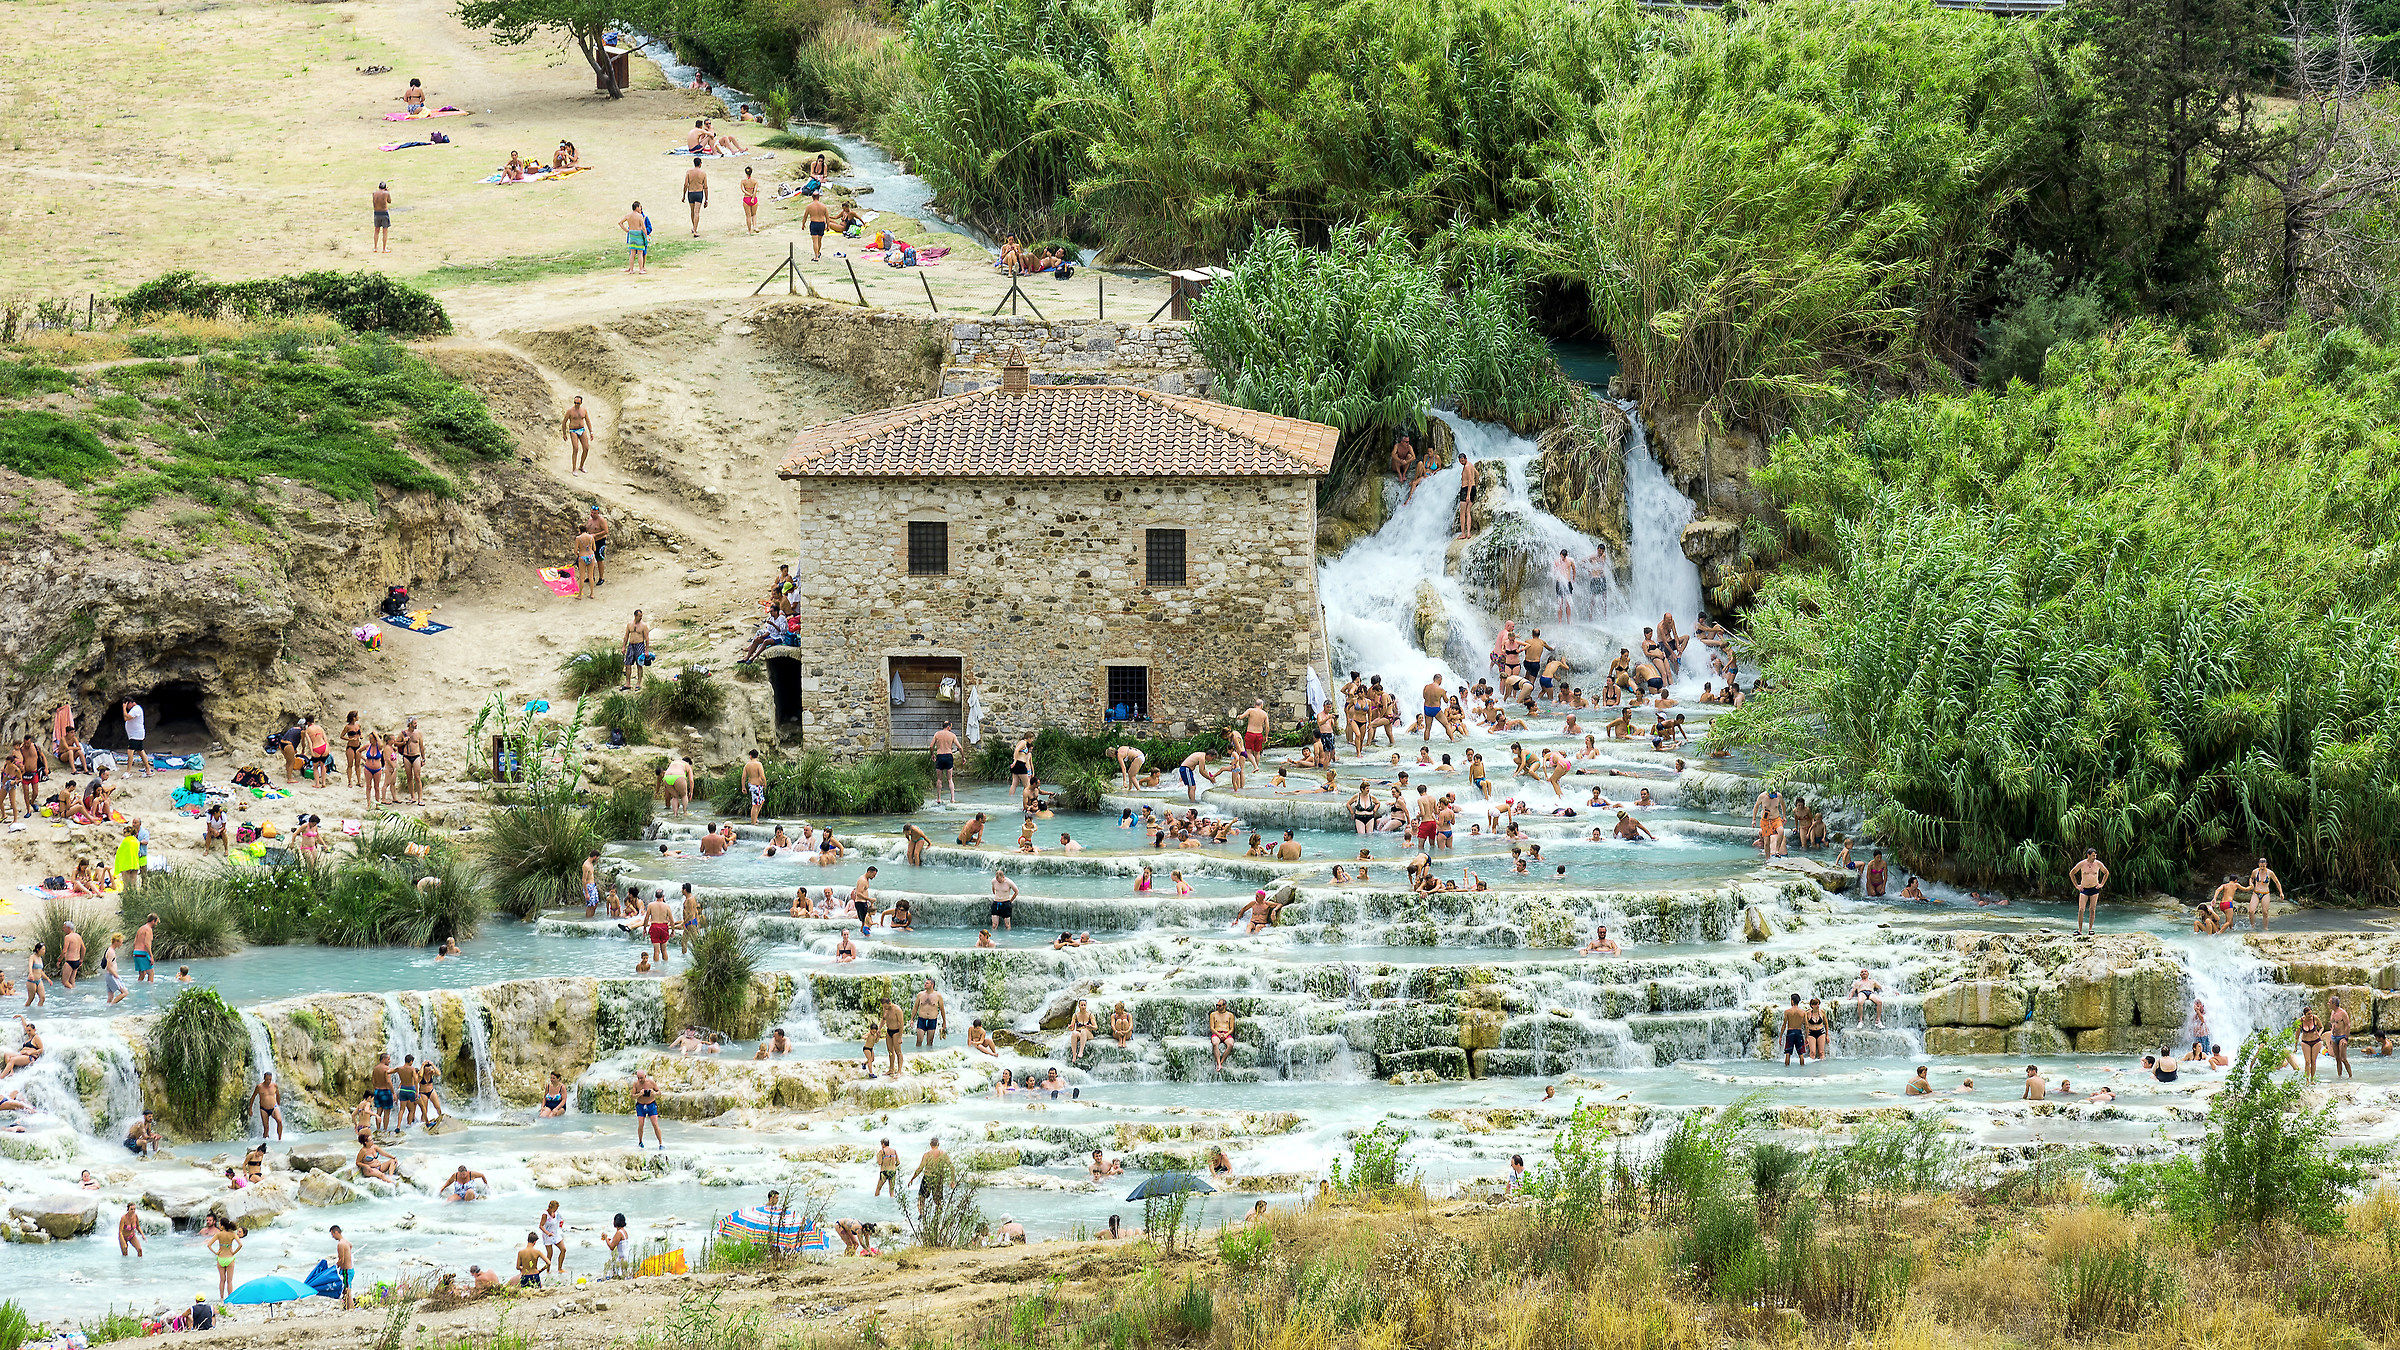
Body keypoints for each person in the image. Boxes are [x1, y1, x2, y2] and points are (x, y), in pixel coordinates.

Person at [2069, 849, 2109, 935]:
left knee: (2092, 909)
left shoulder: (2098, 863)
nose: (2095, 857)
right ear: (2088, 855)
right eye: (2093, 855)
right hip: (2084, 889)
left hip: (2094, 888)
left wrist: (2101, 884)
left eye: (2095, 855)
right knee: (2081, 909)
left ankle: (2090, 929)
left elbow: (2106, 873)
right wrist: (2076, 885)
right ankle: (2079, 930)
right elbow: (2072, 873)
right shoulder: (2082, 864)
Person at [209, 1217, 244, 1298]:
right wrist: (234, 1252)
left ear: (221, 1225)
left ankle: (221, 1298)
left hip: (221, 1258)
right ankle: (230, 1298)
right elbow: (240, 1244)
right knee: (229, 1281)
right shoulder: (232, 1234)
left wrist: (216, 1253)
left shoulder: (218, 1234)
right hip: (230, 1258)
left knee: (222, 1280)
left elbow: (209, 1245)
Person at [2248, 857, 2284, 932]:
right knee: (2251, 911)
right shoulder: (2255, 871)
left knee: (2265, 912)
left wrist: (2281, 892)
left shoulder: (2270, 873)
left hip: (2265, 893)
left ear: (2266, 865)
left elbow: (2277, 882)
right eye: (2261, 866)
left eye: (2263, 866)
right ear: (2258, 865)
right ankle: (2252, 927)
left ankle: (2265, 929)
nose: (2262, 868)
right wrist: (2251, 883)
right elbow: (2251, 878)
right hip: (2256, 893)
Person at [632, 1068, 663, 1148]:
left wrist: (654, 1093)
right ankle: (640, 1142)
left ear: (645, 1076)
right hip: (640, 1105)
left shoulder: (651, 1082)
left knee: (655, 1124)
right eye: (638, 1078)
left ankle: (661, 1143)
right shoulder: (636, 1084)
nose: (640, 1079)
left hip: (651, 1105)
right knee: (641, 1124)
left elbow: (659, 1093)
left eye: (641, 1078)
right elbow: (632, 1096)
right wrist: (639, 1094)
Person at [930, 722, 961, 802]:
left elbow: (931, 746)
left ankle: (939, 798)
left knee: (939, 779)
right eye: (950, 727)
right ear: (948, 727)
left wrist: (932, 754)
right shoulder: (952, 735)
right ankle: (952, 798)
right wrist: (963, 757)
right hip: (948, 756)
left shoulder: (937, 734)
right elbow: (960, 747)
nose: (951, 728)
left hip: (940, 756)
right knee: (950, 779)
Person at [249, 1071, 285, 1139]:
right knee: (266, 1128)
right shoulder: (259, 1087)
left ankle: (279, 1139)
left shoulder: (274, 1086)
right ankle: (265, 1142)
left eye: (270, 1079)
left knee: (279, 1121)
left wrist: (278, 1102)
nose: (268, 1081)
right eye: (267, 1079)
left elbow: (278, 1094)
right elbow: (253, 1097)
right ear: (264, 1078)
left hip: (274, 1107)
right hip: (264, 1109)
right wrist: (250, 1108)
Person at [913, 978, 947, 1048]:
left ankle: (927, 1055)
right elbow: (915, 1007)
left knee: (930, 1041)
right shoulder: (920, 994)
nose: (925, 984)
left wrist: (944, 1022)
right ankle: (917, 1054)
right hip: (921, 1019)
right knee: (919, 1040)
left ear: (932, 985)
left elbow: (942, 1009)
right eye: (925, 983)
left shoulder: (938, 996)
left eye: (927, 983)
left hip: (932, 1020)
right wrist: (911, 1019)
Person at [621, 201, 651, 273]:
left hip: (631, 234)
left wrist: (626, 230)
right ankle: (641, 269)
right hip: (639, 234)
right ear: (637, 207)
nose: (640, 208)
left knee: (632, 253)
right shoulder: (640, 216)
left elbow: (620, 223)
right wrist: (646, 236)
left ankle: (631, 270)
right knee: (640, 252)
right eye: (640, 207)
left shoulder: (628, 215)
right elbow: (643, 228)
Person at [1208, 999, 1237, 1071]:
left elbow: (1232, 1028)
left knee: (1230, 1044)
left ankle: (1221, 1061)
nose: (1217, 1007)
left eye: (1219, 1005)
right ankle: (1218, 1063)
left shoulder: (1230, 1015)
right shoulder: (1213, 1014)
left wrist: (1226, 1034)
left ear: (1225, 1005)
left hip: (1226, 1034)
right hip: (1216, 1033)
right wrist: (1218, 1034)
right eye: (1217, 1005)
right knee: (1215, 1043)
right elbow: (1212, 1028)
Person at [1780, 995, 1809, 1066]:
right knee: (1800, 1053)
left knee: (1788, 1053)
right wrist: (1807, 1037)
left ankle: (1787, 1069)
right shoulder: (1803, 1012)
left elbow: (1784, 1025)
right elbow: (1807, 1026)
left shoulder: (1787, 1012)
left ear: (1792, 1001)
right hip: (1799, 1032)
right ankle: (1802, 1069)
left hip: (1790, 1032)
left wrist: (1780, 1036)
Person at [541, 1199, 568, 1274]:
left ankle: (560, 1268)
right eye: (555, 1208)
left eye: (557, 1208)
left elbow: (560, 1219)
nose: (556, 1210)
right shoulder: (545, 1214)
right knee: (550, 1254)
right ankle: (548, 1271)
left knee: (563, 1249)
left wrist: (561, 1223)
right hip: (547, 1236)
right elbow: (541, 1226)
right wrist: (547, 1233)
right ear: (550, 1207)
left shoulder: (556, 1213)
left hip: (556, 1234)